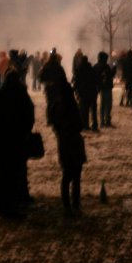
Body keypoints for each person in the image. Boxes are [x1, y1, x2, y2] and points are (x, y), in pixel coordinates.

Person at [0, 68, 35, 219]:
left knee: (2, 174)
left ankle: (1, 204)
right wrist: (25, 129)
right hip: (17, 139)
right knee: (16, 172)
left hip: (1, 140)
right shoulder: (21, 95)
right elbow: (29, 115)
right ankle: (14, 203)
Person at [46, 79, 86, 215]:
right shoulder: (72, 106)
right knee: (76, 175)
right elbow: (80, 125)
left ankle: (66, 203)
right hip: (74, 141)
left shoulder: (55, 106)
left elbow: (54, 123)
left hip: (63, 142)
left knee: (66, 174)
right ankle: (75, 202)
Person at [92, 51, 116, 129]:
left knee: (102, 104)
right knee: (108, 104)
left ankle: (102, 121)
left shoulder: (95, 66)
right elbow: (110, 75)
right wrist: (114, 68)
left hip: (100, 87)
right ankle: (107, 120)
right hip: (107, 87)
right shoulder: (105, 66)